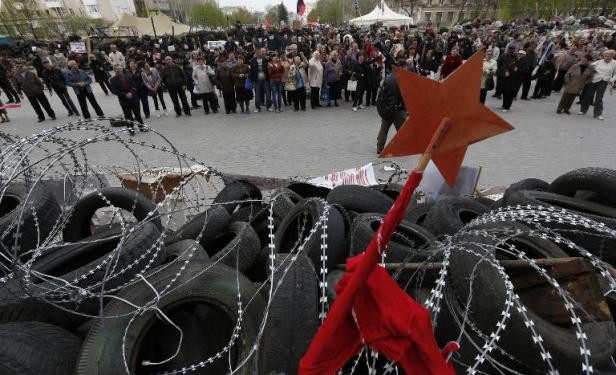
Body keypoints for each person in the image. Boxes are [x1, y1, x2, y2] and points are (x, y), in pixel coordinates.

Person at [375, 69, 406, 154]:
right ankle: (402, 148)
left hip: (387, 109)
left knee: (384, 129)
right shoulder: (399, 79)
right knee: (402, 130)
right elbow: (401, 95)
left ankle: (379, 147)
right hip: (397, 110)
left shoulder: (388, 78)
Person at [580, 49, 616, 120]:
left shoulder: (614, 63)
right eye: (604, 56)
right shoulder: (599, 62)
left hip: (604, 81)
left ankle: (598, 114)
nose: (606, 57)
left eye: (608, 56)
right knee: (588, 96)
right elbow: (590, 67)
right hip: (594, 80)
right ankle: (583, 110)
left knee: (599, 98)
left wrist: (612, 80)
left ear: (612, 56)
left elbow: (615, 74)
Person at [109, 64, 144, 135]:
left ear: (122, 69)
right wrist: (125, 95)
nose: (119, 70)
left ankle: (141, 127)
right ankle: (131, 130)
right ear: (114, 70)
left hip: (134, 98)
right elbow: (114, 91)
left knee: (138, 114)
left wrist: (131, 93)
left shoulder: (129, 76)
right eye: (117, 69)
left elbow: (134, 86)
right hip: (124, 100)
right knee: (128, 116)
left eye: (120, 68)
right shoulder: (112, 80)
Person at [250, 48, 270, 112]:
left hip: (265, 79)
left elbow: (268, 69)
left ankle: (268, 106)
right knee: (257, 94)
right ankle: (258, 108)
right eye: (258, 52)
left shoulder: (265, 60)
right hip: (257, 80)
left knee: (268, 94)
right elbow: (251, 71)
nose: (259, 53)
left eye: (260, 52)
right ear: (256, 53)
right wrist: (252, 80)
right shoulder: (253, 61)